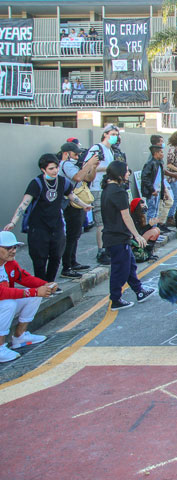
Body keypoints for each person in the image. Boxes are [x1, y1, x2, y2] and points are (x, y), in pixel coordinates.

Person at [4, 154, 92, 286]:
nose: (55, 170)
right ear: (43, 169)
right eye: (51, 168)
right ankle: (41, 285)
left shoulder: (63, 182)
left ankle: (50, 284)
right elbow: (24, 204)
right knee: (39, 258)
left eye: (56, 167)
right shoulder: (36, 183)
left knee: (56, 256)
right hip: (38, 227)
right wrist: (13, 222)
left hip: (56, 226)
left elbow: (72, 196)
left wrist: (84, 205)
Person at [100, 161, 155, 311]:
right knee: (120, 270)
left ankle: (139, 291)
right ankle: (116, 299)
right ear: (118, 174)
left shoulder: (107, 189)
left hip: (116, 236)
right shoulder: (118, 192)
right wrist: (137, 235)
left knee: (129, 265)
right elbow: (126, 216)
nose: (128, 173)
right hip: (116, 237)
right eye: (126, 171)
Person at [0, 231, 57, 363]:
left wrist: (46, 285)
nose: (13, 251)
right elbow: (1, 293)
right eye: (8, 248)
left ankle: (20, 337)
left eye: (14, 247)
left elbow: (24, 277)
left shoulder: (10, 263)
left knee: (34, 296)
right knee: (9, 304)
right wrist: (35, 291)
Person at [59, 141, 99, 278]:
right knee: (71, 236)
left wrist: (93, 167)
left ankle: (72, 262)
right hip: (71, 205)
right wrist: (88, 164)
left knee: (75, 235)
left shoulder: (73, 165)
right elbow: (77, 177)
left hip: (78, 204)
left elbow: (87, 178)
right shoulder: (66, 165)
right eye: (75, 154)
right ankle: (67, 266)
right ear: (66, 154)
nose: (77, 156)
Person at [87, 124, 118, 265]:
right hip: (97, 188)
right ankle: (101, 251)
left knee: (108, 220)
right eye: (112, 134)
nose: (115, 137)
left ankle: (107, 248)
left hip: (107, 188)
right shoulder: (97, 149)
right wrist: (108, 169)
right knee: (101, 222)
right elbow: (88, 166)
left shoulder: (110, 150)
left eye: (116, 134)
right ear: (105, 134)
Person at [140, 145, 168, 228]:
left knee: (156, 212)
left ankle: (155, 231)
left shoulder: (159, 164)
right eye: (161, 152)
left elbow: (161, 179)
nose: (163, 154)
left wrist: (163, 192)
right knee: (151, 213)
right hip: (152, 193)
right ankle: (151, 231)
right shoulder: (150, 164)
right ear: (156, 153)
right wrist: (152, 190)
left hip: (157, 192)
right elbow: (145, 178)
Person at [129, 198, 160, 262]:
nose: (144, 209)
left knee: (157, 229)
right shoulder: (133, 217)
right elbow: (138, 232)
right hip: (134, 240)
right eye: (141, 207)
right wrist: (149, 225)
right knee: (153, 232)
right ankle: (148, 254)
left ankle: (150, 253)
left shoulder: (140, 217)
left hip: (139, 237)